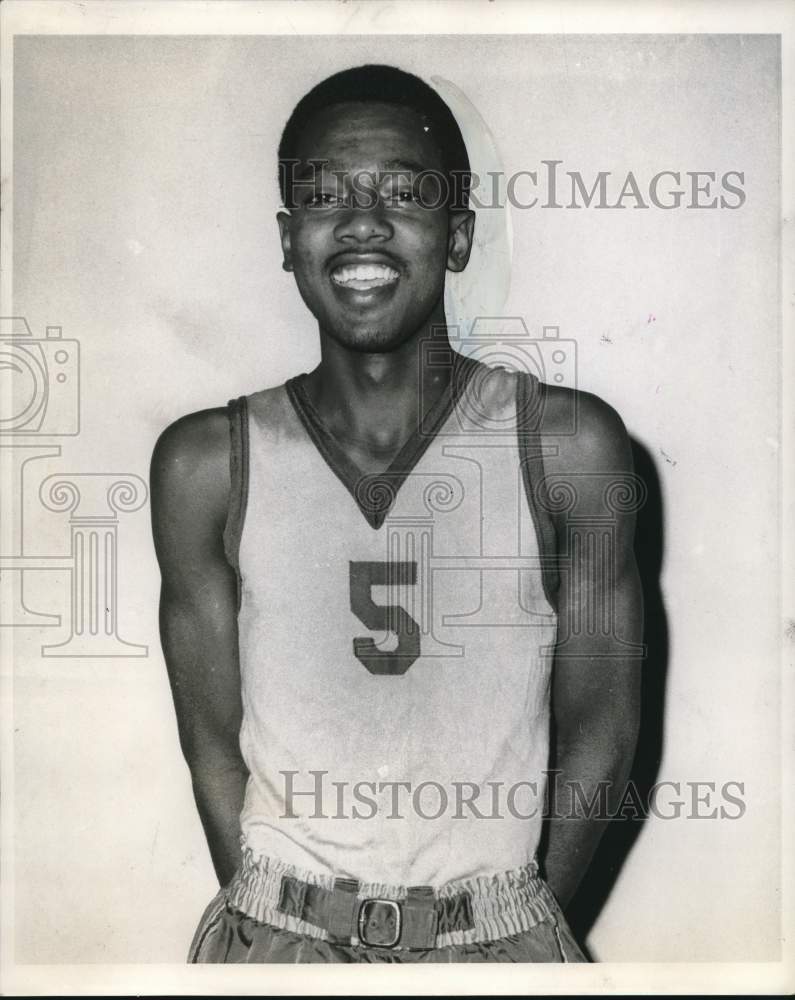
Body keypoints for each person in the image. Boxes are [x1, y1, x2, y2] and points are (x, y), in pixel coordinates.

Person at [150, 64, 642, 964]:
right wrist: (274, 923)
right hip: (278, 939)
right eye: (325, 194)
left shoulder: (568, 449)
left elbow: (603, 733)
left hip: (496, 936)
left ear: (456, 238)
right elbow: (210, 740)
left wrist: (508, 932)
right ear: (288, 238)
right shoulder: (206, 464)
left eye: (402, 194)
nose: (363, 221)